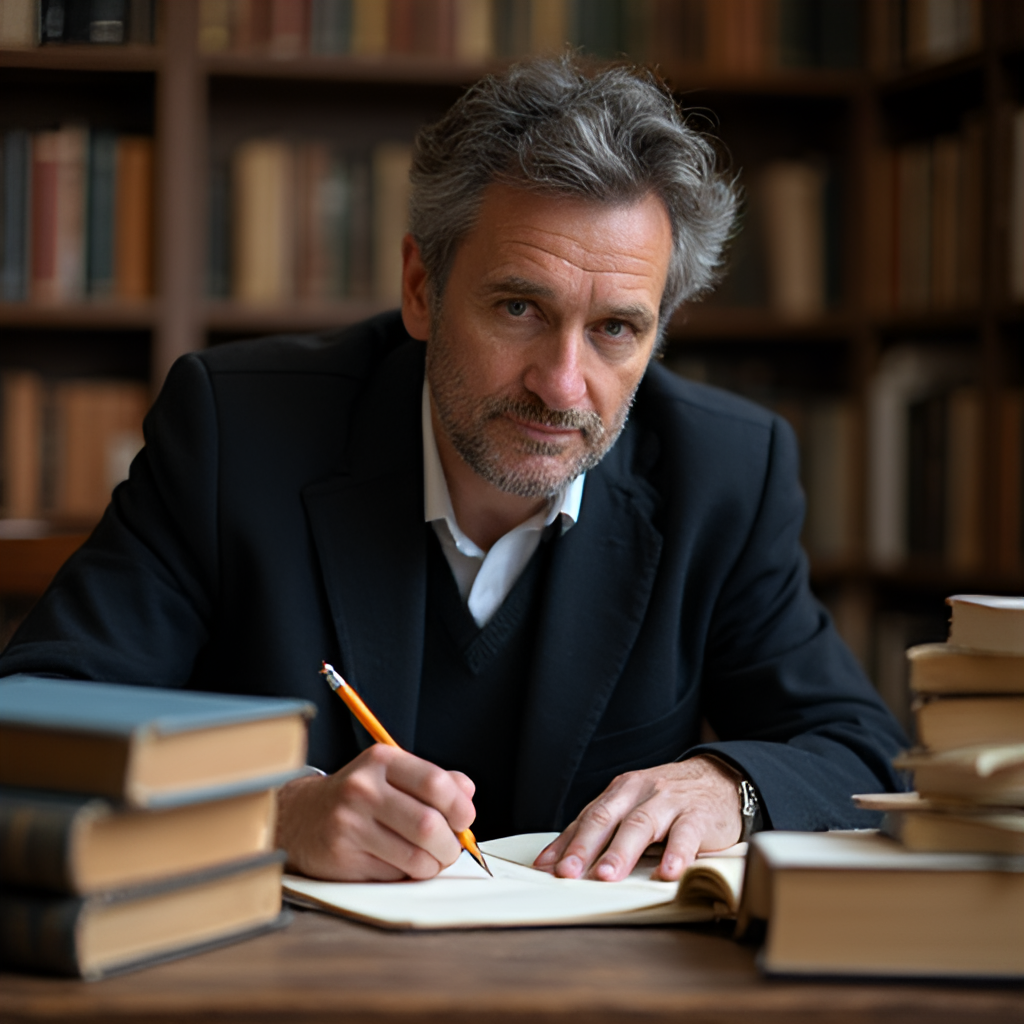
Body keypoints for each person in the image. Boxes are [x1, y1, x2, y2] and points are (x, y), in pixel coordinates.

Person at [0, 57, 907, 886]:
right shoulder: (238, 429)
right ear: (421, 289)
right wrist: (270, 813)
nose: (561, 384)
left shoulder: (726, 470)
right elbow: (35, 717)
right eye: (519, 306)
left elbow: (860, 751)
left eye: (616, 330)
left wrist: (729, 785)